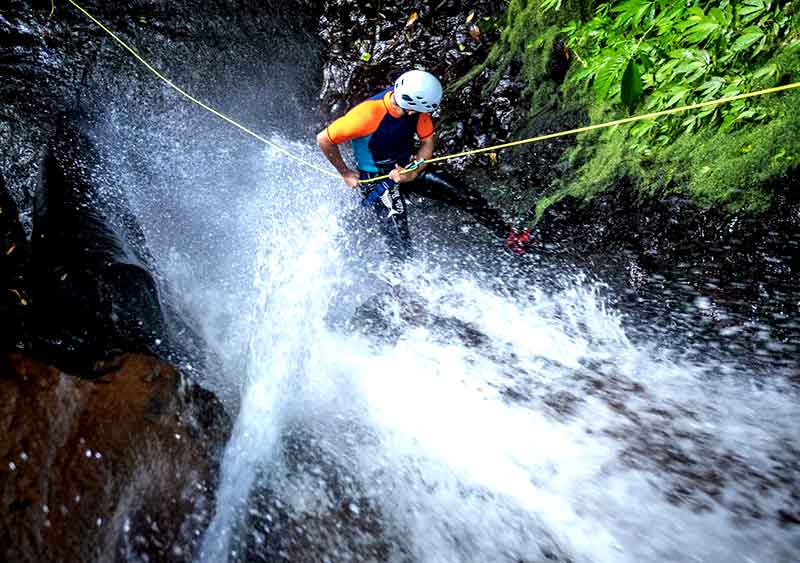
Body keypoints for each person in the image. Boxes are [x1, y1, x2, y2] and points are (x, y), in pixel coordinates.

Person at [316, 69, 531, 260]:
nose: (422, 115)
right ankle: (403, 290)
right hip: (377, 178)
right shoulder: (366, 116)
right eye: (420, 112)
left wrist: (414, 169)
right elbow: (324, 139)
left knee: (466, 196)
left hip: (408, 167)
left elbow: (427, 141)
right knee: (400, 241)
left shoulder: (415, 105)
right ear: (411, 108)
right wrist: (345, 172)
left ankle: (510, 237)